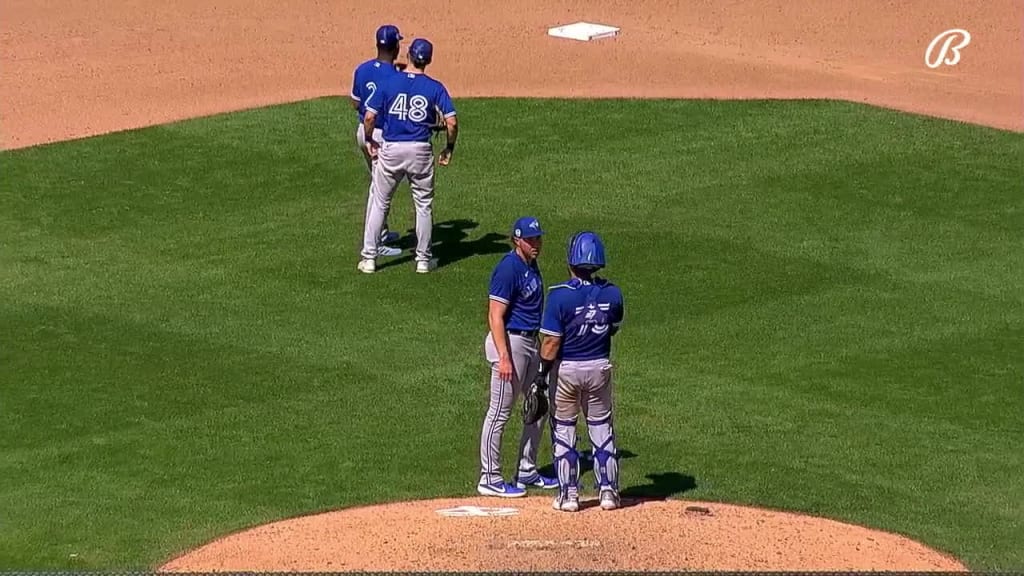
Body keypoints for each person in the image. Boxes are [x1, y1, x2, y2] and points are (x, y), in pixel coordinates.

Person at [535, 231, 625, 512]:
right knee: (601, 428)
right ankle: (608, 492)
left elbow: (551, 341)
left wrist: (541, 375)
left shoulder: (560, 296)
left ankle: (569, 495)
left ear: (571, 262)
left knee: (564, 430)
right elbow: (613, 325)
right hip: (599, 366)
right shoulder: (613, 293)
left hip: (567, 370)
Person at [357, 37, 458, 274]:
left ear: (408, 56)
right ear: (429, 60)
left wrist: (370, 139)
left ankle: (369, 259)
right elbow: (451, 122)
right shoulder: (435, 87)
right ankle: (423, 260)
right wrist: (449, 148)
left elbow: (369, 117)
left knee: (380, 202)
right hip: (421, 151)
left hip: (392, 149)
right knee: (423, 206)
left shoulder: (390, 81)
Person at [477, 216, 559, 497]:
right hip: (510, 343)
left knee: (538, 406)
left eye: (538, 239)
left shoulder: (531, 265)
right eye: (531, 239)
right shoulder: (508, 269)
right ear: (517, 240)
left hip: (530, 343)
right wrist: (504, 356)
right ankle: (489, 476)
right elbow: (495, 315)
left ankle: (527, 469)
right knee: (499, 412)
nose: (536, 244)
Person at [349, 24, 405, 256]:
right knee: (379, 191)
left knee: (377, 181)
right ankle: (373, 245)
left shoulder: (362, 69)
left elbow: (354, 102)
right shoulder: (395, 78)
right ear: (396, 47)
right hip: (380, 137)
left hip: (364, 132)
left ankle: (381, 232)